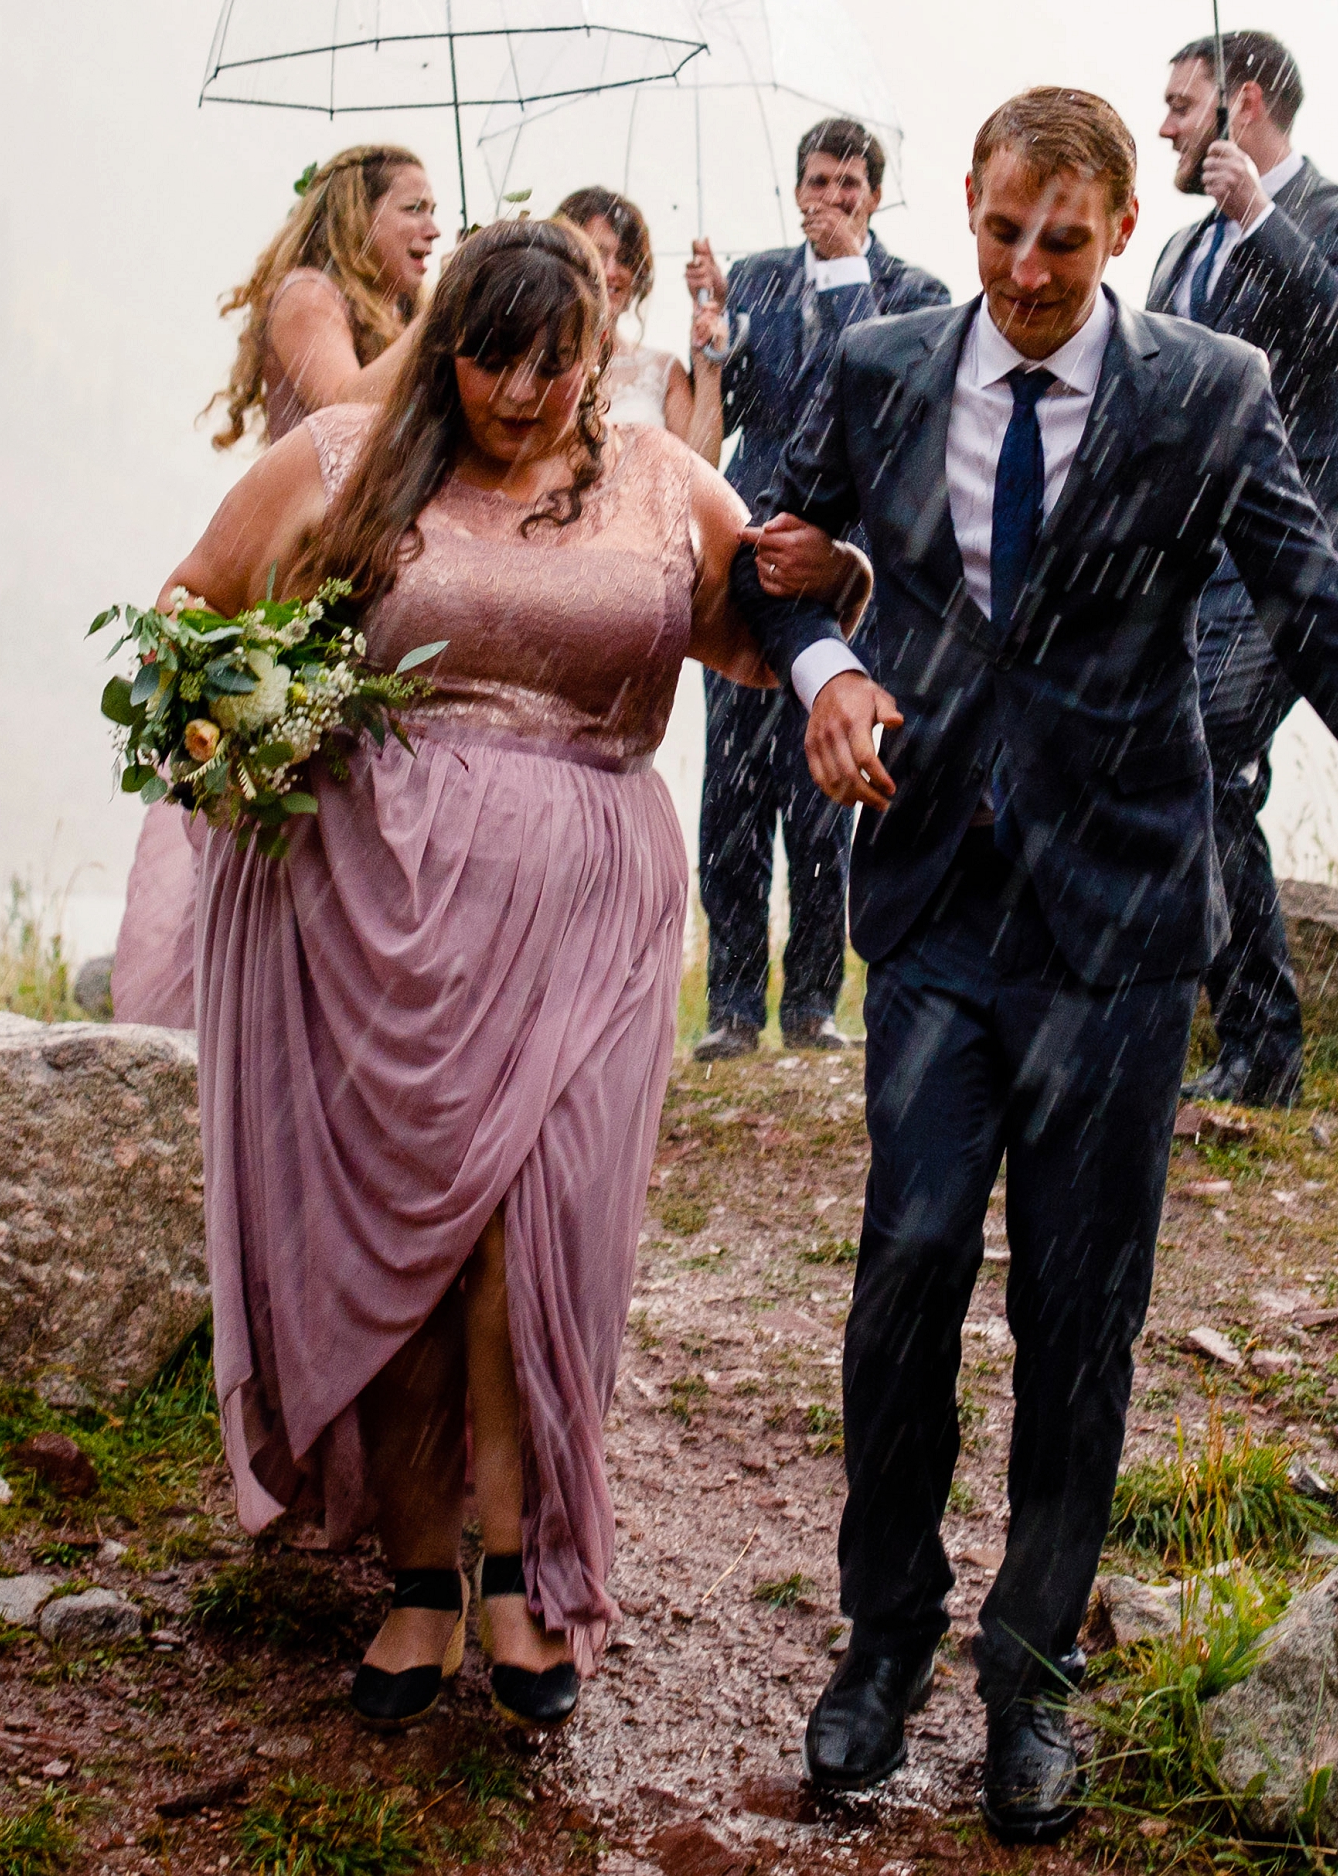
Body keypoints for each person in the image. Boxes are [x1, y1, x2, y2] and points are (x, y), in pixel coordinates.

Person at [730, 88, 1338, 1843]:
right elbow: (767, 562)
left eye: (1064, 241)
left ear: (1113, 236)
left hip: (1119, 919)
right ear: (970, 199)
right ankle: (880, 1644)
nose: (1025, 270)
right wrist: (825, 671)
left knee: (1079, 1309)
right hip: (937, 902)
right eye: (1005, 228)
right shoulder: (874, 369)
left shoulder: (1205, 393)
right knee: (908, 1274)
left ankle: (1029, 1672)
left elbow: (1327, 625)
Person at [158, 219, 781, 1734]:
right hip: (376, 913)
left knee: (538, 1230)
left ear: (595, 357)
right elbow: (187, 612)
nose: (521, 388)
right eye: (492, 356)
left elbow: (748, 640)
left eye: (553, 362)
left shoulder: (652, 473)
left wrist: (815, 590)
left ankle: (525, 1561)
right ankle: (423, 1578)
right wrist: (225, 739)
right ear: (447, 349)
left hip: (591, 914)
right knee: (413, 1242)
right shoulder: (350, 461)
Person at [113, 145, 443, 1033]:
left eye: (436, 210)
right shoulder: (309, 297)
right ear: (355, 215)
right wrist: (439, 318)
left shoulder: (402, 308)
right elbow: (345, 408)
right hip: (299, 575)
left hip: (380, 570)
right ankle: (251, 1006)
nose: (433, 227)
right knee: (301, 794)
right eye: (413, 208)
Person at [1146, 30, 1338, 1109]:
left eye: (1179, 102)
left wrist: (1261, 217)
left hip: (1303, 549)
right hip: (1189, 558)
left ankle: (1264, 1048)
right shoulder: (1170, 255)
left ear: (1241, 104)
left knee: (1205, 758)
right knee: (1187, 770)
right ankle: (1234, 1035)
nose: (1161, 122)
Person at [680, 118, 950, 1063]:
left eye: (848, 184)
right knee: (733, 794)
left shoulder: (917, 294)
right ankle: (731, 1005)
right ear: (794, 188)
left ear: (876, 195)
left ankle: (814, 1005)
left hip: (850, 570)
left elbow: (884, 397)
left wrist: (845, 283)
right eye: (816, 182)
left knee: (825, 790)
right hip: (749, 556)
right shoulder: (750, 279)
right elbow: (721, 419)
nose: (830, 199)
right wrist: (711, 340)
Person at [553, 186, 726, 459]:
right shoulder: (535, 364)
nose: (611, 271)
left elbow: (699, 473)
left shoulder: (664, 371)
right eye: (597, 254)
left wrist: (707, 370)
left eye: (624, 259)